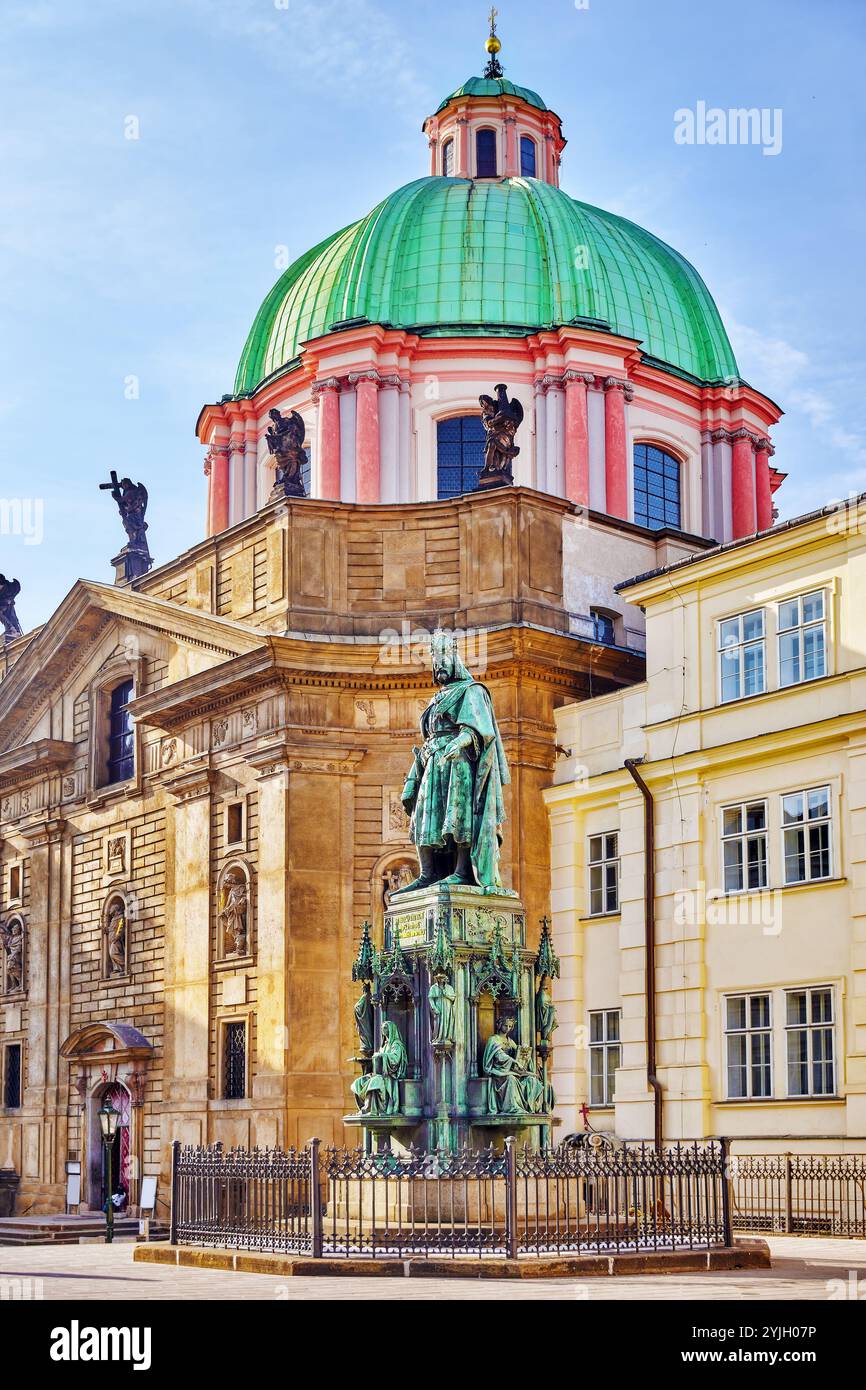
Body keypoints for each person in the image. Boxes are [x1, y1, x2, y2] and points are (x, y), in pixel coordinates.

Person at [395, 629, 510, 895]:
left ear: (455, 659)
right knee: (423, 815)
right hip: (433, 764)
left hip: (459, 765)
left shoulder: (472, 690)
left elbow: (480, 727)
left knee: (458, 815)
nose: (439, 665)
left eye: (443, 658)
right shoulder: (439, 696)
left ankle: (461, 872)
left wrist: (461, 741)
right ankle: (428, 873)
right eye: (435, 660)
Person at [350, 1021, 407, 1115]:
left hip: (389, 1076)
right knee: (358, 1082)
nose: (383, 1030)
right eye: (382, 1028)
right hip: (379, 1074)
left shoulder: (396, 1045)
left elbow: (395, 1060)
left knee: (375, 1082)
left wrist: (381, 1055)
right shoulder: (384, 1045)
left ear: (391, 1030)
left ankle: (372, 1109)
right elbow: (376, 1059)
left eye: (385, 1028)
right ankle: (363, 1108)